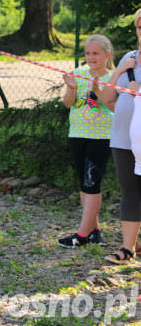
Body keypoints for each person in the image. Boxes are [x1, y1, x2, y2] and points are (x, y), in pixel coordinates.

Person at [57, 34, 114, 248]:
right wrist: (72, 88)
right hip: (77, 134)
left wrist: (98, 92)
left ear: (107, 54)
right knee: (84, 183)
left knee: (93, 183)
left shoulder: (113, 77)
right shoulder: (79, 74)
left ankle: (81, 235)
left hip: (101, 136)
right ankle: (94, 230)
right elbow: (68, 103)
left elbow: (113, 108)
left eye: (96, 53)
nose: (91, 57)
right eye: (88, 53)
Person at [97, 9, 141, 263]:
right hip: (123, 139)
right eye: (139, 27)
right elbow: (106, 98)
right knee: (129, 191)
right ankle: (127, 248)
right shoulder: (129, 59)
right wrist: (119, 71)